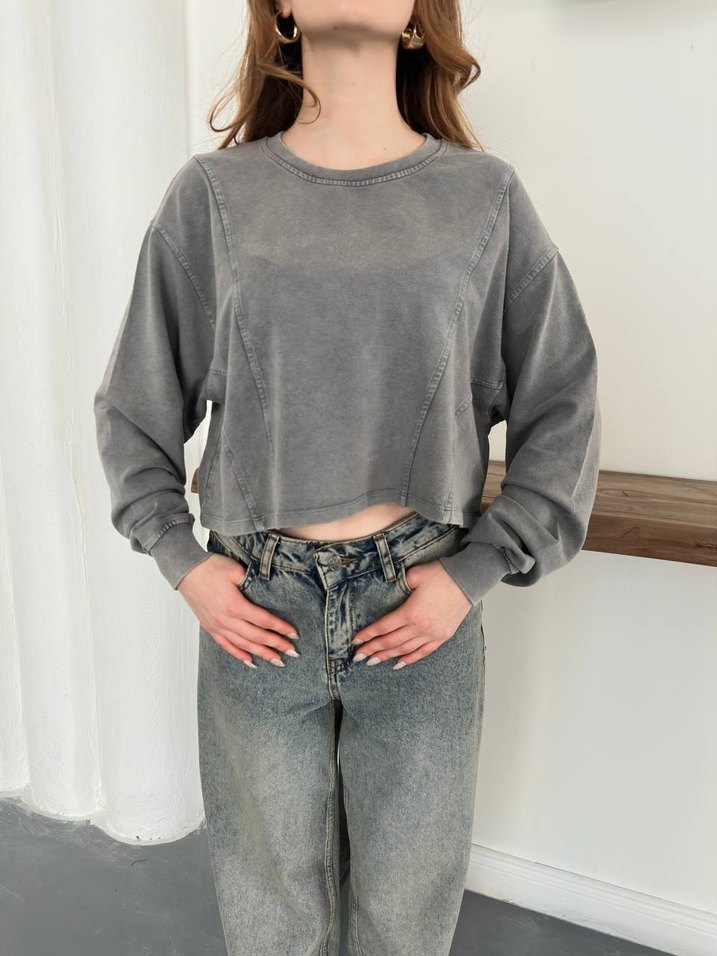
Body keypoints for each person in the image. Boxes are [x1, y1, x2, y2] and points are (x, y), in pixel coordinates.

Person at [93, 2, 602, 954]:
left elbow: (563, 401)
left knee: (406, 919)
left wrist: (474, 573)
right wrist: (182, 563)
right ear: (281, 9)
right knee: (268, 920)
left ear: (418, 14)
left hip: (421, 604)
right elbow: (133, 404)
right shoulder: (214, 195)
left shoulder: (485, 197)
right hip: (257, 603)